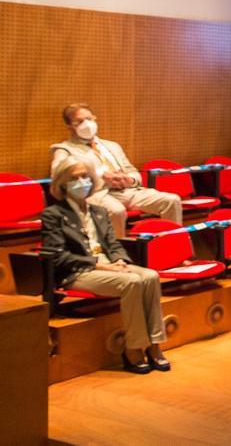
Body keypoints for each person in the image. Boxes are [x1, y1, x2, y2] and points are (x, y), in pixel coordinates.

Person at [41, 158, 171, 374]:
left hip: (109, 266)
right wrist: (101, 267)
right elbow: (58, 256)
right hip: (78, 272)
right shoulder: (53, 214)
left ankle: (155, 344)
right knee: (132, 282)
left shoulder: (99, 211)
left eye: (85, 176)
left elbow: (112, 243)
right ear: (62, 183)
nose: (81, 181)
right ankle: (134, 347)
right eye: (74, 178)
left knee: (150, 276)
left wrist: (120, 260)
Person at [49, 103, 182, 237]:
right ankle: (118, 255)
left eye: (89, 119)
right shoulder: (65, 149)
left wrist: (130, 180)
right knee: (116, 211)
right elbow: (58, 174)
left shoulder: (112, 146)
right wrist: (100, 176)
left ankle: (175, 248)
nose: (86, 124)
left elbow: (131, 169)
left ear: (94, 118)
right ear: (70, 126)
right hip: (97, 193)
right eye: (79, 121)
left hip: (127, 190)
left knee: (171, 200)